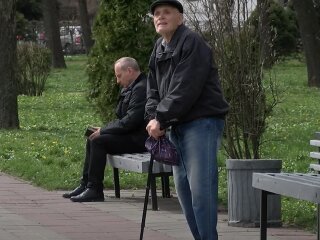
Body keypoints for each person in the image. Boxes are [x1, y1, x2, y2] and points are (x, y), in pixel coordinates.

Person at [145, 1, 229, 239]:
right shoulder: (159, 48)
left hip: (201, 123)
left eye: (167, 12)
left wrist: (160, 117)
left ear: (180, 18)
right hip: (175, 124)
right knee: (184, 191)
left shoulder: (192, 42)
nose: (160, 17)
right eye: (156, 14)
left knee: (201, 191)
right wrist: (153, 117)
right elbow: (152, 89)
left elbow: (186, 87)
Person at [63, 57, 148, 202]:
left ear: (130, 71)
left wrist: (103, 131)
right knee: (92, 136)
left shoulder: (141, 89)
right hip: (131, 135)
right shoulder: (132, 88)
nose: (117, 81)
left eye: (119, 76)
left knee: (98, 140)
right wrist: (103, 129)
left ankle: (95, 190)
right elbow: (124, 119)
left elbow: (130, 122)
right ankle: (86, 185)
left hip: (140, 139)